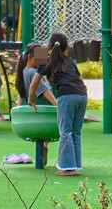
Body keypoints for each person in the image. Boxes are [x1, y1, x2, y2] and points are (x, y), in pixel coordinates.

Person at [28, 32, 88, 176]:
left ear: (49, 46)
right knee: (75, 132)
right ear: (66, 47)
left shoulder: (45, 61)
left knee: (65, 132)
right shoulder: (70, 61)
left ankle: (67, 167)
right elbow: (79, 79)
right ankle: (75, 166)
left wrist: (31, 100)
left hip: (66, 96)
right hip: (82, 95)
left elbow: (33, 84)